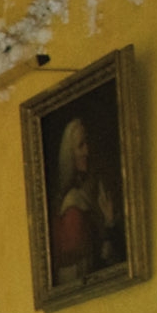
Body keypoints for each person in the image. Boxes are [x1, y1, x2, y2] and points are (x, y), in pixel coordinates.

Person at [47, 115, 121, 285]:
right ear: (70, 153)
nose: (87, 151)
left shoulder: (95, 189)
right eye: (81, 146)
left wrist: (110, 222)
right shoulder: (72, 203)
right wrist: (109, 224)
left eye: (87, 144)